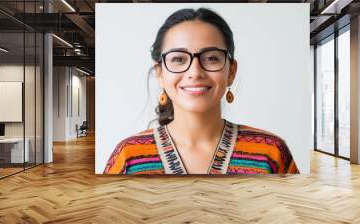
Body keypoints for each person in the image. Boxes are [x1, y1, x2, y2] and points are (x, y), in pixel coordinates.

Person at [104, 7, 299, 175]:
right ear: (160, 73)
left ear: (231, 71)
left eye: (211, 58)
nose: (195, 72)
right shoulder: (128, 155)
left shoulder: (271, 152)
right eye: (178, 59)